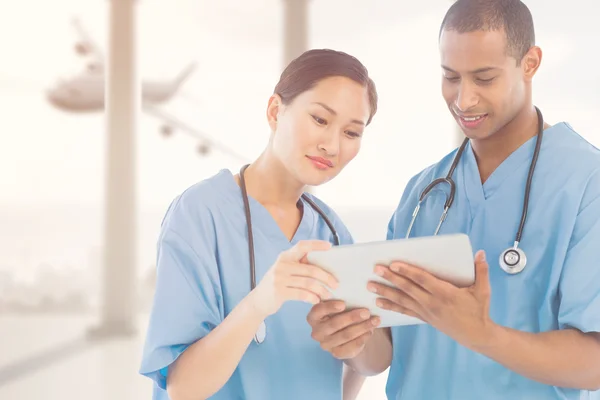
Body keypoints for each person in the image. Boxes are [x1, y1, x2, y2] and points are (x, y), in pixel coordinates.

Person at [306, 1, 600, 399]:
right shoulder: (424, 191)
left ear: (530, 63)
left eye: (484, 78)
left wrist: (483, 336)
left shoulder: (586, 182)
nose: (464, 100)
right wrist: (350, 338)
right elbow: (382, 353)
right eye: (450, 77)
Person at [138, 48, 378, 400]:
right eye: (320, 120)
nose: (331, 145)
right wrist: (260, 302)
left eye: (352, 133)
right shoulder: (200, 214)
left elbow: (351, 367)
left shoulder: (332, 231)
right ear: (275, 111)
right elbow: (181, 389)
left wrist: (356, 345)